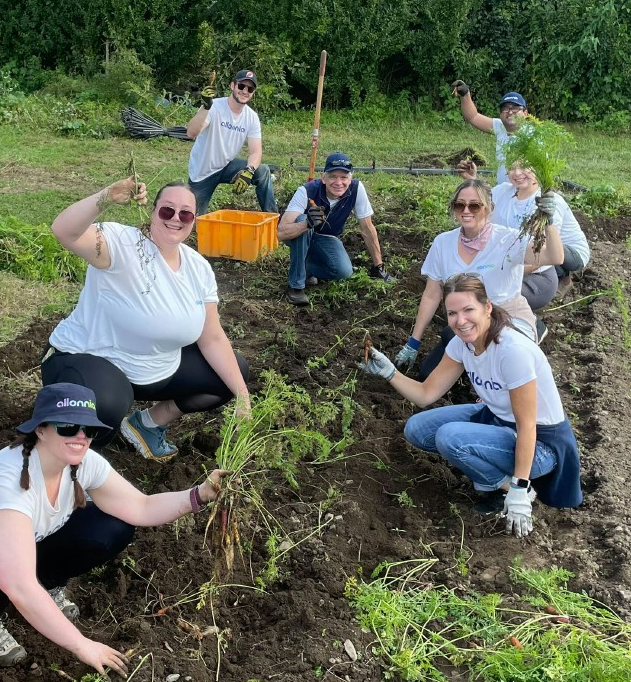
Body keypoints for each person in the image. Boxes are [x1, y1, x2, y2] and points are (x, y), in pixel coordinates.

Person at [0, 383, 227, 670]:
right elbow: (17, 582)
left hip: (29, 542)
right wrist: (82, 645)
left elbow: (141, 506)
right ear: (41, 429)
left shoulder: (84, 462)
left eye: (89, 429)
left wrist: (199, 495)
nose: (80, 436)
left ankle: (49, 583)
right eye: (68, 427)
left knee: (113, 525)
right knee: (2, 574)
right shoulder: (9, 481)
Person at [45, 177, 252, 459]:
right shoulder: (123, 245)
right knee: (107, 402)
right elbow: (63, 231)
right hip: (85, 359)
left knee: (232, 374)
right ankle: (76, 462)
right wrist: (105, 196)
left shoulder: (198, 268)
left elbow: (213, 338)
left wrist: (243, 396)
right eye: (167, 210)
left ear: (194, 219)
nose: (176, 219)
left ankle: (146, 425)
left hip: (150, 371)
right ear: (153, 211)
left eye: (185, 213)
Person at [360, 274, 582, 535]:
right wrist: (390, 373)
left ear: (487, 307)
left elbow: (527, 426)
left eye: (468, 310)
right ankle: (500, 481)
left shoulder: (512, 351)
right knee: (417, 428)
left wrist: (520, 487)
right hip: (497, 421)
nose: (460, 321)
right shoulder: (462, 345)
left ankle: (514, 490)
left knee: (450, 437)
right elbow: (425, 394)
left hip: (542, 446)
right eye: (452, 313)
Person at [394, 176, 562, 378]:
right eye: (459, 205)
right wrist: (413, 342)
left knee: (499, 373)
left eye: (474, 206)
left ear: (489, 207)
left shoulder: (508, 239)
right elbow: (431, 294)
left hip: (505, 317)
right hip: (466, 320)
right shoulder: (443, 243)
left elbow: (554, 256)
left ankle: (524, 335)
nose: (466, 211)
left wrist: (549, 223)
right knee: (427, 373)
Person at [276, 151, 394, 306]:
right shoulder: (306, 191)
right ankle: (296, 287)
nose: (339, 182)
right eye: (333, 176)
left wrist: (379, 266)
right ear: (324, 178)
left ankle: (305, 268)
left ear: (350, 179)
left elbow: (367, 228)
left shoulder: (356, 190)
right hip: (300, 236)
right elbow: (281, 232)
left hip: (326, 238)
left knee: (343, 271)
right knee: (303, 218)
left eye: (344, 177)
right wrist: (307, 224)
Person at [491, 163, 592, 311]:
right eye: (512, 168)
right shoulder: (502, 192)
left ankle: (563, 278)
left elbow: (542, 252)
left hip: (570, 252)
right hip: (530, 250)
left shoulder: (549, 202)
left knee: (547, 252)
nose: (517, 173)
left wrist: (505, 271)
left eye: (525, 167)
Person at [185, 68, 276, 215]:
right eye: (241, 86)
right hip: (202, 172)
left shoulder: (251, 117)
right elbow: (191, 132)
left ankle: (272, 219)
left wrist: (249, 170)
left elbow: (256, 151)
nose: (245, 91)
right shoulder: (214, 106)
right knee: (192, 218)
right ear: (232, 86)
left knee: (262, 170)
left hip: (226, 166)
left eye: (250, 88)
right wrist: (206, 107)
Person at [448, 83, 529, 184]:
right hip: (503, 192)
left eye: (515, 108)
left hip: (526, 192)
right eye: (505, 108)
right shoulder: (500, 127)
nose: (510, 112)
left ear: (525, 114)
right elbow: (473, 117)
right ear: (500, 114)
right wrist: (465, 95)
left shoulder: (535, 135)